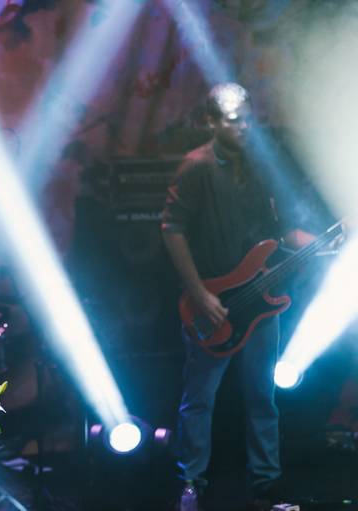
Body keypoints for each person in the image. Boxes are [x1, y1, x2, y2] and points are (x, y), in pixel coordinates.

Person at [161, 83, 314, 509]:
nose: (243, 126)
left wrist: (321, 241)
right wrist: (199, 294)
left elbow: (278, 232)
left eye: (247, 118)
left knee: (262, 395)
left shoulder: (258, 167)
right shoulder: (196, 168)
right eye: (233, 119)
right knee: (200, 399)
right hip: (212, 302)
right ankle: (191, 481)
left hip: (261, 300)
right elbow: (172, 230)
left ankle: (266, 480)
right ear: (211, 122)